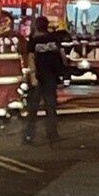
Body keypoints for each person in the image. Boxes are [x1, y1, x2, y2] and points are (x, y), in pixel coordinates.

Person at [23, 15, 65, 145]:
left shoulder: (33, 41)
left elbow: (30, 59)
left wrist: (33, 77)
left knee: (33, 109)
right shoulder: (54, 39)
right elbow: (62, 56)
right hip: (51, 78)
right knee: (51, 108)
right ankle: (52, 135)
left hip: (39, 77)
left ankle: (29, 135)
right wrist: (62, 72)